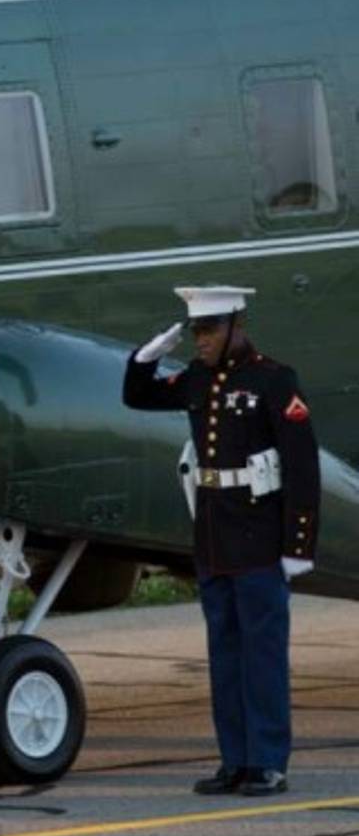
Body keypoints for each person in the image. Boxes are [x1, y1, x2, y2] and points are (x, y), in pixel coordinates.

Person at [122, 286, 320, 797]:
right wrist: (146, 358)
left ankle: (267, 761)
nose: (202, 340)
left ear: (237, 325)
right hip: (214, 535)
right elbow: (138, 397)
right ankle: (234, 760)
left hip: (259, 534)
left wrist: (297, 545)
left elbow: (301, 465)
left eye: (209, 329)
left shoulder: (273, 379)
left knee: (262, 654)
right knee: (225, 654)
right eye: (196, 331)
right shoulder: (197, 378)